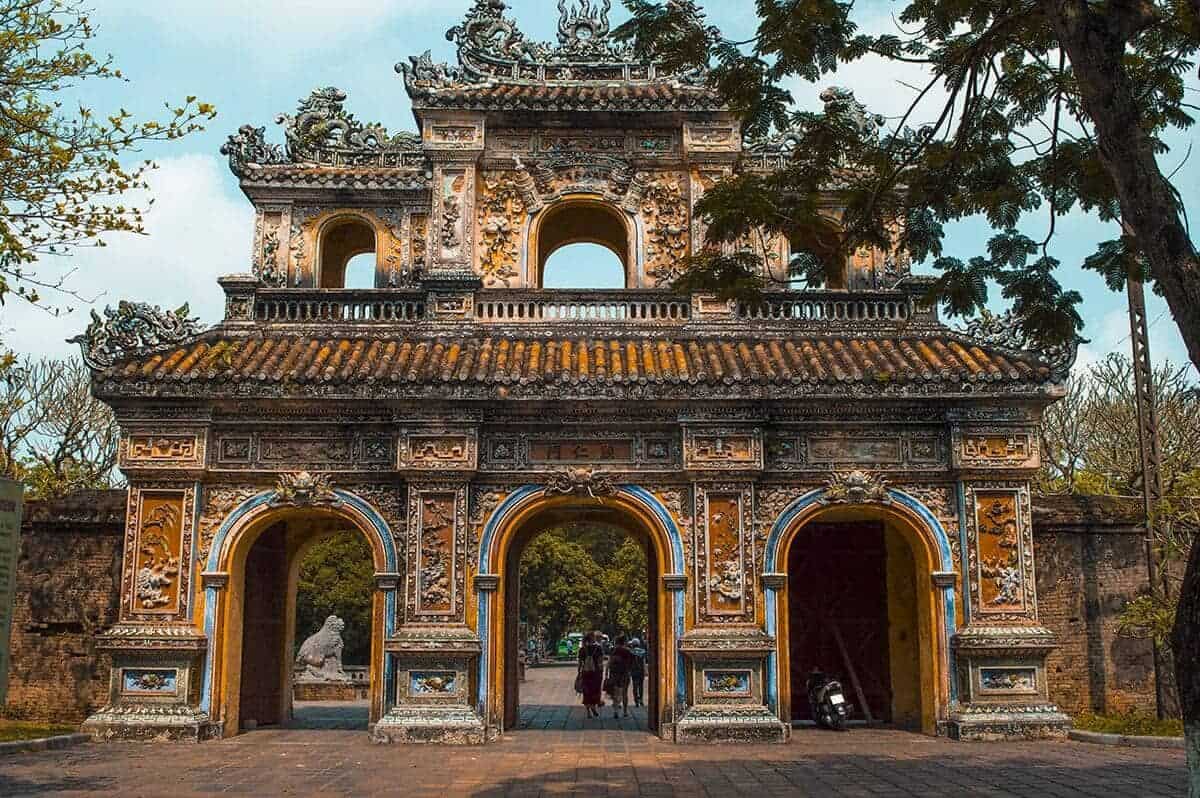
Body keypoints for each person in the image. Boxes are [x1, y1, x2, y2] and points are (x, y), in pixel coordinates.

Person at [605, 634, 634, 719]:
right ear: (624, 642)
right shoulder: (628, 651)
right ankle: (625, 711)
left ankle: (616, 711)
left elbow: (609, 662)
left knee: (615, 692)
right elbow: (631, 663)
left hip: (614, 674)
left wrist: (606, 673)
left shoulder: (613, 650)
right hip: (625, 674)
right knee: (624, 693)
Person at [577, 630, 605, 718]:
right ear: (593, 638)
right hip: (595, 673)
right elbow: (600, 662)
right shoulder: (598, 648)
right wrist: (601, 672)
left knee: (586, 691)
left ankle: (588, 712)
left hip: (585, 672)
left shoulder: (582, 649)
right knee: (595, 690)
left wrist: (579, 673)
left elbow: (580, 663)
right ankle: (593, 706)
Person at [628, 637, 646, 707]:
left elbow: (629, 662)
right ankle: (641, 700)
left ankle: (636, 701)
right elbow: (644, 662)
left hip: (634, 670)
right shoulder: (643, 651)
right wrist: (645, 670)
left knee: (635, 686)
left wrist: (629, 671)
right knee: (641, 686)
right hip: (641, 670)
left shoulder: (631, 652)